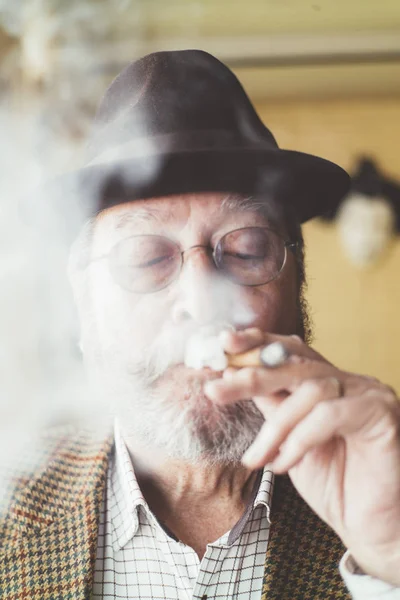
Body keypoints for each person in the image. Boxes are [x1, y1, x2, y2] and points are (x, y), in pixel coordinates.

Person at [1, 50, 400, 600]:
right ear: (83, 301)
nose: (201, 300)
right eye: (146, 259)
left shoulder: (387, 494)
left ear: (296, 289)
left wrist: (391, 561)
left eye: (245, 248)